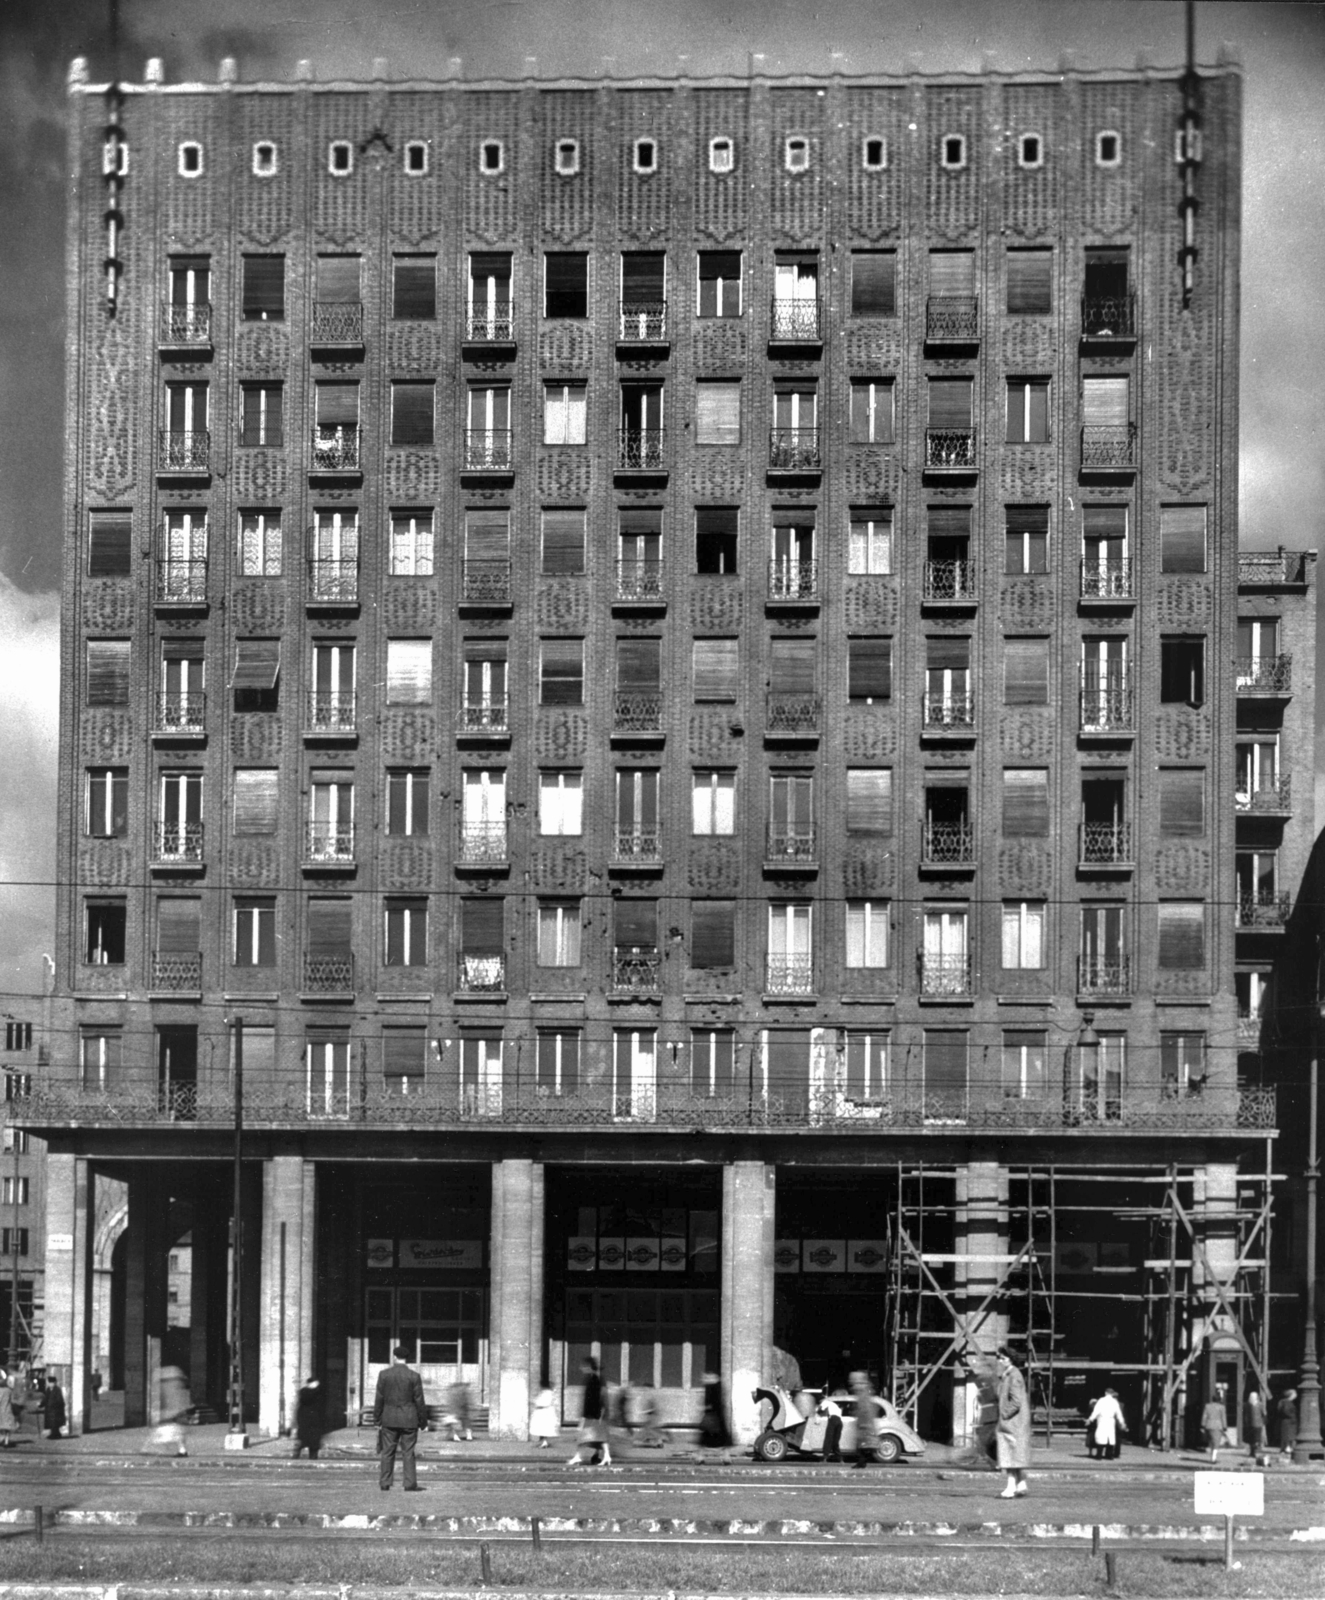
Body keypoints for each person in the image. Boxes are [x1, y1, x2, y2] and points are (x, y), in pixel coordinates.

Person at [374, 1344, 426, 1492]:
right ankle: (409, 1484)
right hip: (409, 1419)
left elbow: (379, 1398)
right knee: (408, 1452)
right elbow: (419, 1400)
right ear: (406, 1358)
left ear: (394, 1357)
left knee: (387, 1451)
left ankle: (385, 1482)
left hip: (389, 1418)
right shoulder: (414, 1376)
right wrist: (423, 1422)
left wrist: (377, 1419)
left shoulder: (384, 1375)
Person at [994, 1348, 1031, 1497]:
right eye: (999, 1358)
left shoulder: (1013, 1375)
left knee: (1009, 1455)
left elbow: (1016, 1401)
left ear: (1011, 1359)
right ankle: (1021, 1484)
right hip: (1015, 1421)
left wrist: (1004, 1414)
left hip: (1012, 1422)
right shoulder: (1009, 1374)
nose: (1000, 1361)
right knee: (1015, 1454)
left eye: (1003, 1358)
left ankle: (1010, 1488)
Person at [568, 1356, 610, 1468]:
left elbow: (592, 1400)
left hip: (592, 1415)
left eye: (584, 1366)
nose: (581, 1368)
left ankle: (578, 1456)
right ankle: (606, 1456)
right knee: (598, 1437)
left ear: (589, 1367)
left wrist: (585, 1415)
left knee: (584, 1437)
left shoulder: (593, 1380)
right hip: (595, 1415)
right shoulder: (595, 1379)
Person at [699, 1370, 732, 1461]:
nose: (703, 1379)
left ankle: (700, 1457)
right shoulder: (718, 1387)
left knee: (705, 1439)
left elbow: (710, 1403)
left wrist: (704, 1408)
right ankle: (726, 1457)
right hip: (718, 1417)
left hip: (712, 1418)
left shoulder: (710, 1388)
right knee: (722, 1440)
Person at [849, 1370, 879, 1469]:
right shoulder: (864, 1393)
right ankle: (862, 1462)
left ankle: (862, 1462)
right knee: (861, 1445)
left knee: (863, 1444)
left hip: (864, 1423)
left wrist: (864, 1423)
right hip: (863, 1422)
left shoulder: (864, 1394)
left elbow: (865, 1409)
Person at [1085, 1388, 1125, 1461]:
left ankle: (1099, 1455)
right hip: (1110, 1421)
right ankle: (1109, 1455)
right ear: (1112, 1394)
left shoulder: (1101, 1401)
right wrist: (1122, 1422)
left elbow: (1096, 1411)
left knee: (1101, 1437)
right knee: (1110, 1438)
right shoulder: (1114, 1402)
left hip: (1102, 1420)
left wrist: (1090, 1419)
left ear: (1105, 1393)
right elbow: (1119, 1413)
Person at [293, 1377, 325, 1460]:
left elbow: (321, 1405)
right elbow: (306, 1400)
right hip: (306, 1418)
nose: (317, 1384)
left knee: (315, 1440)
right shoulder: (305, 1392)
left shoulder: (318, 1392)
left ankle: (313, 1455)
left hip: (316, 1419)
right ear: (310, 1383)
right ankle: (297, 1453)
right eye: (315, 1383)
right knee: (304, 1438)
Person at [1201, 1387, 1227, 1463]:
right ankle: (1213, 1458)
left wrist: (1202, 1425)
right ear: (1219, 1400)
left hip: (1208, 1426)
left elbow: (1204, 1416)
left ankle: (1212, 1457)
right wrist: (1225, 1426)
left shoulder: (1207, 1406)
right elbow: (1223, 1417)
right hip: (1218, 1426)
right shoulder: (1222, 1407)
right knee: (1216, 1442)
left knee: (1212, 1442)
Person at [816, 1392, 844, 1462]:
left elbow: (820, 1410)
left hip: (833, 1420)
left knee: (828, 1439)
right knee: (835, 1441)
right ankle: (840, 1459)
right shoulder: (835, 1405)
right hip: (839, 1422)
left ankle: (825, 1458)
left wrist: (816, 1414)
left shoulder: (825, 1402)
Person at [529, 1384, 559, 1448]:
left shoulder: (547, 1393)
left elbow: (544, 1402)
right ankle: (544, 1442)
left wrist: (535, 1402)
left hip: (544, 1412)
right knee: (543, 1428)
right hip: (544, 1411)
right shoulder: (547, 1393)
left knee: (544, 1428)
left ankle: (544, 1442)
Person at [1244, 1387, 1266, 1462]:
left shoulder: (1247, 1404)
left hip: (1249, 1424)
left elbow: (1245, 1414)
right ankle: (1255, 1451)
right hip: (1258, 1424)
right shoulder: (1260, 1404)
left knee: (1251, 1439)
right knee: (1256, 1438)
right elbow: (1264, 1413)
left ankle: (1252, 1452)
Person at [43, 1375, 68, 1441]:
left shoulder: (57, 1390)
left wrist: (54, 1405)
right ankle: (55, 1434)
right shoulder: (48, 1390)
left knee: (54, 1422)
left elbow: (59, 1400)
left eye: (49, 1382)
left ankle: (55, 1434)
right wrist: (41, 1404)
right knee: (51, 1422)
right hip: (49, 1410)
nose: (48, 1384)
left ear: (53, 1383)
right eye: (48, 1382)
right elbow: (45, 1399)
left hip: (56, 1410)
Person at [1277, 1388, 1298, 1456]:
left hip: (1287, 1421)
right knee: (1288, 1435)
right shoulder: (1287, 1402)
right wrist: (1292, 1416)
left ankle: (1285, 1448)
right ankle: (1287, 1448)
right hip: (1289, 1421)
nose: (1296, 1395)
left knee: (1287, 1435)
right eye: (1295, 1394)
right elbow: (1286, 1411)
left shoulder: (1284, 1402)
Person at [0, 1371, 16, 1449]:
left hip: (1, 1410)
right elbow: (12, 1401)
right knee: (7, 1428)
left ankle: (1, 1439)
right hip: (8, 1410)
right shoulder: (9, 1390)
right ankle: (6, 1442)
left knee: (1, 1427)